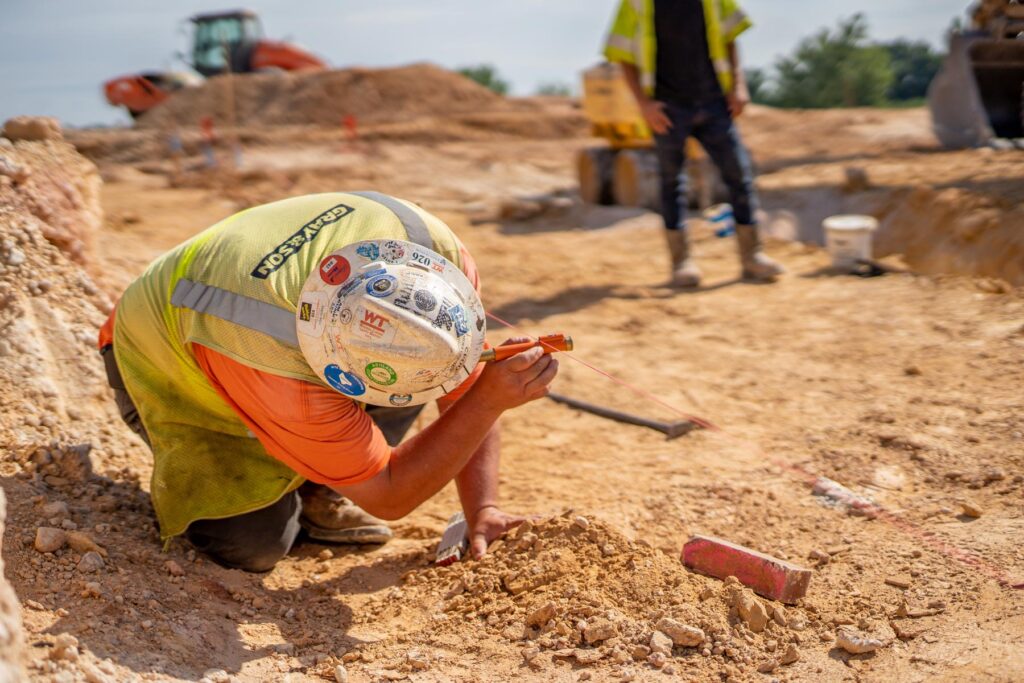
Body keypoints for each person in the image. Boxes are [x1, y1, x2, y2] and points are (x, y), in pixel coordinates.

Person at [97, 191, 558, 572]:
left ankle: (322, 476)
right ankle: (315, 468)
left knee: (417, 376)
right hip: (162, 360)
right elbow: (391, 494)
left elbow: (460, 383)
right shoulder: (277, 361)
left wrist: (482, 509)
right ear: (330, 366)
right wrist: (487, 401)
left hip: (253, 336)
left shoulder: (434, 253)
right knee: (251, 546)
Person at [603, 0, 784, 286]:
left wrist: (738, 85)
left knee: (738, 173)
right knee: (672, 182)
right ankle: (682, 263)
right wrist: (644, 105)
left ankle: (753, 257)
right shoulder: (636, 3)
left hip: (714, 102)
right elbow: (622, 54)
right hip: (668, 108)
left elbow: (729, 37)